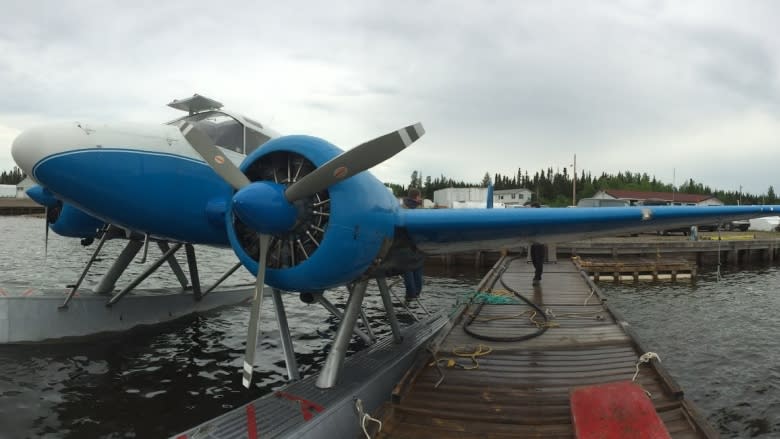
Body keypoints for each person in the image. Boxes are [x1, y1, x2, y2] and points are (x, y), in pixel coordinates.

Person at [402, 188, 424, 301]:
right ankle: (415, 293)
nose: (420, 199)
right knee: (417, 268)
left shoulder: (401, 208)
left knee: (407, 270)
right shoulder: (418, 209)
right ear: (416, 197)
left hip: (402, 246)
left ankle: (410, 294)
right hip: (415, 245)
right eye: (419, 197)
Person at [529, 202, 545, 285]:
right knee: (534, 260)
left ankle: (537, 278)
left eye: (533, 209)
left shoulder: (541, 218)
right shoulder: (531, 218)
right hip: (533, 242)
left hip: (540, 242)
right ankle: (538, 274)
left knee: (539, 261)